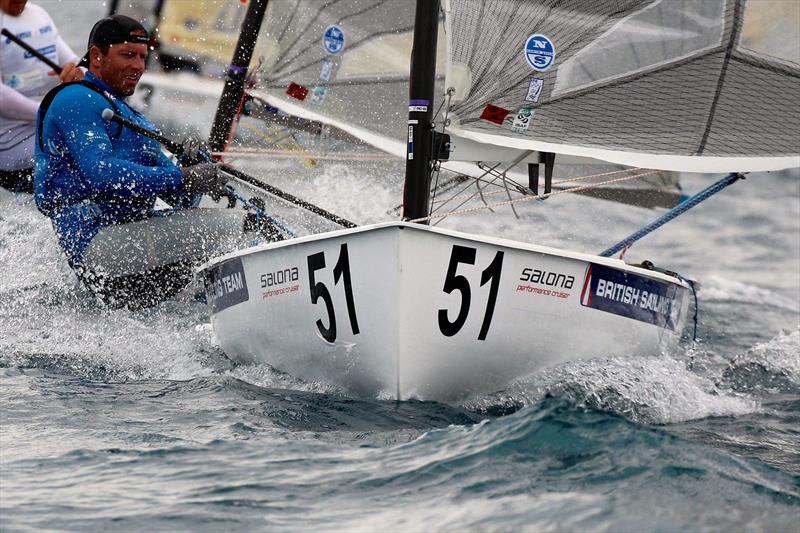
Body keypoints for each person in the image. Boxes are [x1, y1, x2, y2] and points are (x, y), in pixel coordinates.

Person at [34, 14, 227, 281]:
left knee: (221, 242)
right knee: (246, 227)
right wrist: (181, 177)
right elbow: (101, 173)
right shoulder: (75, 99)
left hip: (135, 239)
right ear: (97, 56)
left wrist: (192, 172)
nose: (138, 66)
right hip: (98, 246)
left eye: (142, 57)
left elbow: (179, 200)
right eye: (127, 55)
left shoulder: (131, 116)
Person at [0, 0, 83, 193]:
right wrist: (51, 112)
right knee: (89, 155)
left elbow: (75, 63)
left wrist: (77, 74)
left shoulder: (38, 14)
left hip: (49, 127)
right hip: (10, 143)